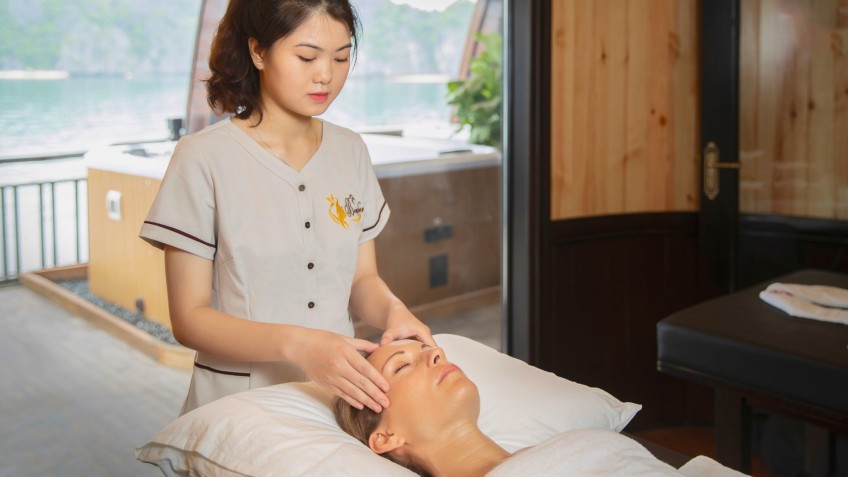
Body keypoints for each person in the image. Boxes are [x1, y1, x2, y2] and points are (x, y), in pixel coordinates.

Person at [139, 0, 434, 416]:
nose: (326, 74)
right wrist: (300, 345)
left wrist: (394, 312)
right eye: (307, 57)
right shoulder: (203, 157)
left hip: (336, 402)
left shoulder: (350, 150)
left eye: (341, 57)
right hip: (238, 405)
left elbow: (362, 279)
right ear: (258, 52)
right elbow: (189, 319)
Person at [333, 340, 694, 477]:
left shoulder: (578, 444)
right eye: (401, 366)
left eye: (428, 349)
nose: (437, 352)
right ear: (386, 437)